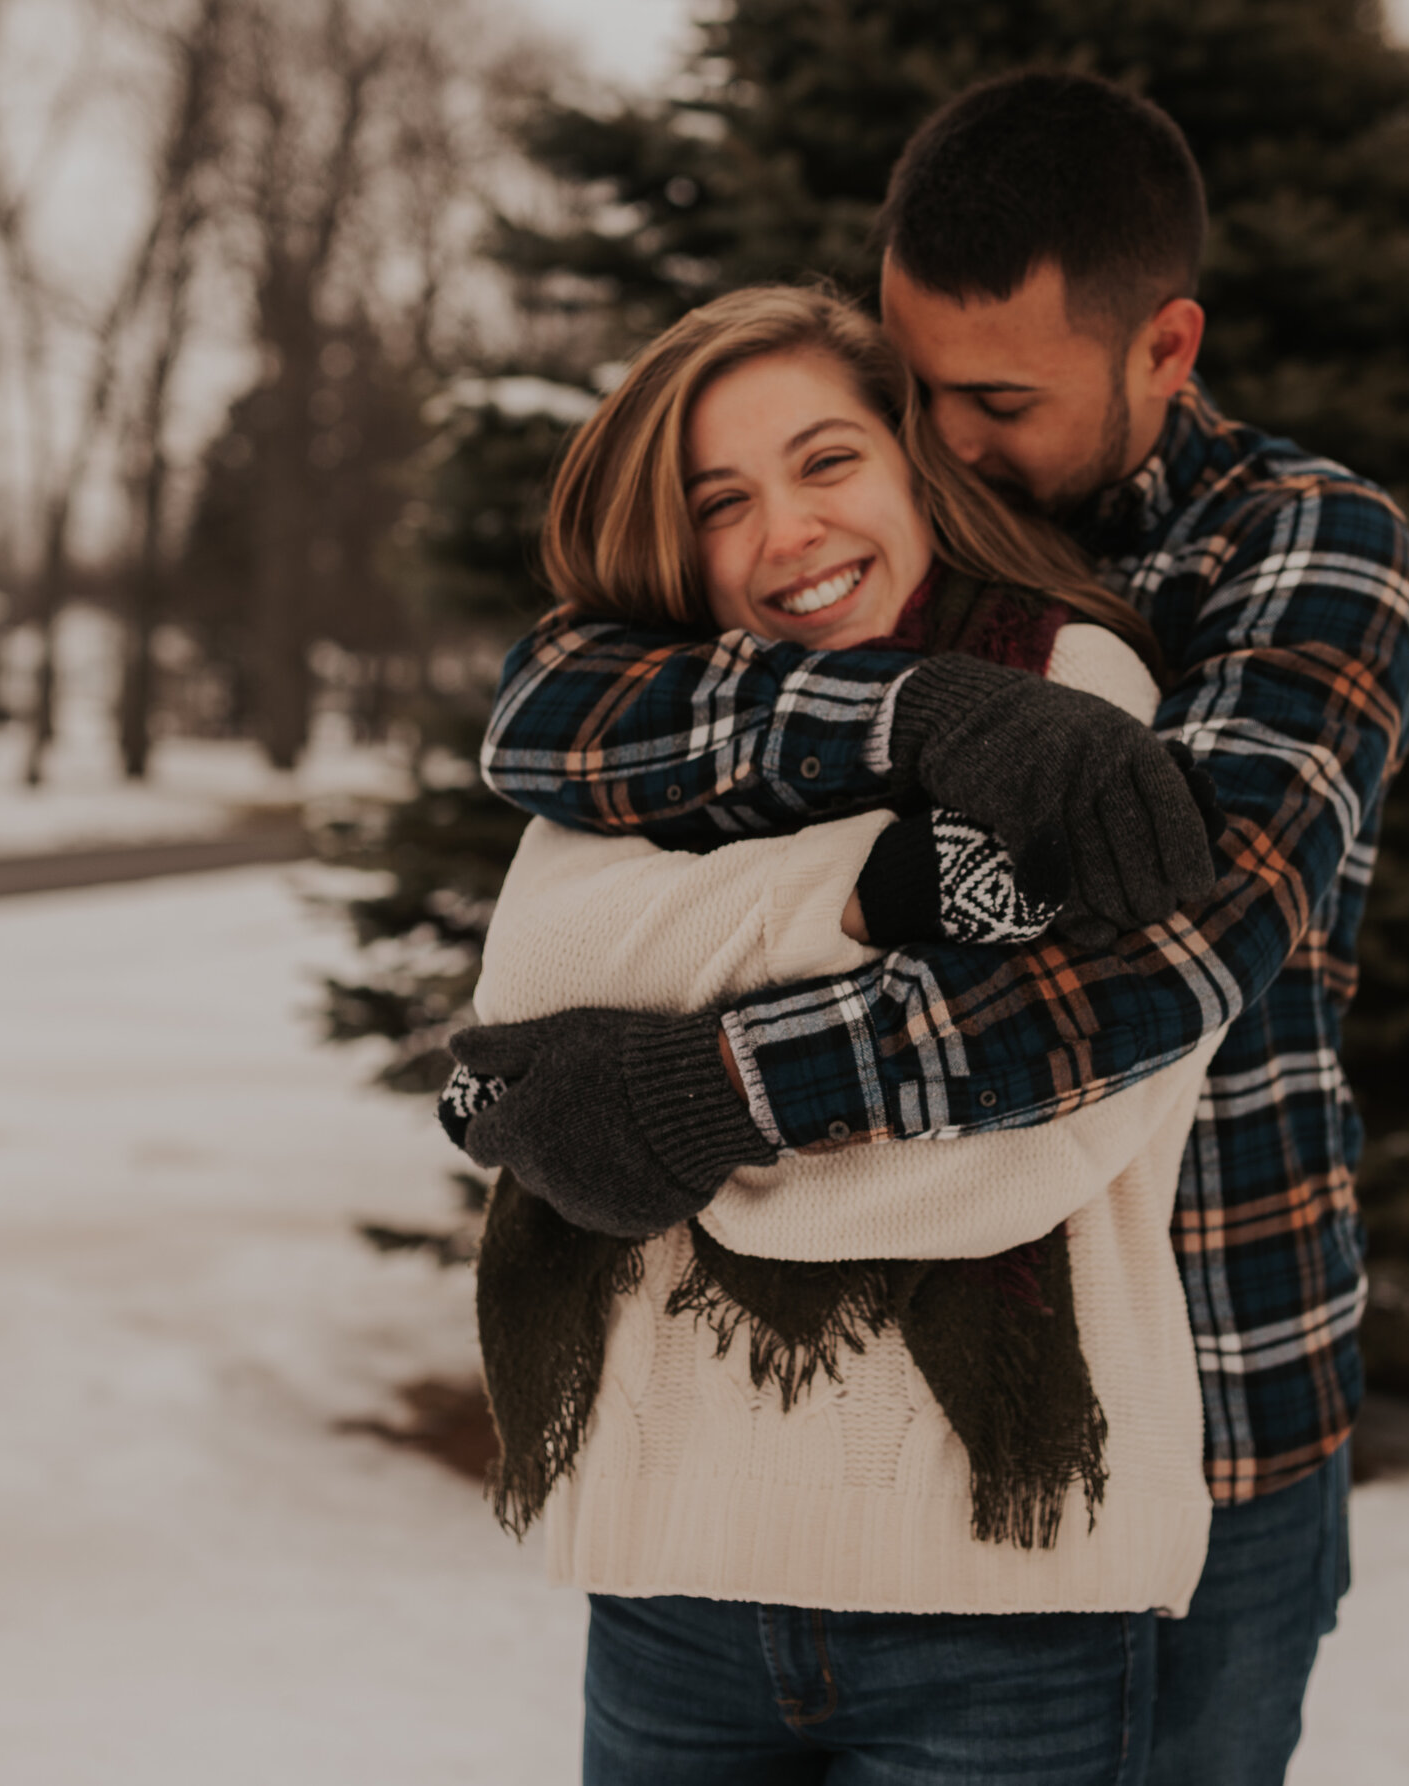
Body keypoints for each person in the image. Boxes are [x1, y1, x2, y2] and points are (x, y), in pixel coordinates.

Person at [471, 73, 1409, 1786]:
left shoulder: (1303, 550)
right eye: (912, 392)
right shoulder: (867, 556)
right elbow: (547, 705)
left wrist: (710, 1092)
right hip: (808, 1495)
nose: (947, 443)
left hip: (1217, 1389)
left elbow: (1162, 957)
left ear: (1166, 350)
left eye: (999, 400)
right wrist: (909, 713)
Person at [448, 283, 1226, 1784]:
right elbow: (538, 970)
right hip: (674, 1575)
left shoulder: (1073, 696)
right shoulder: (657, 716)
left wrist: (652, 1116)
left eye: (826, 462)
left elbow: (1010, 1160)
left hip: (998, 1604)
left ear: (914, 462)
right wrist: (879, 893)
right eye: (721, 500)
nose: (786, 533)